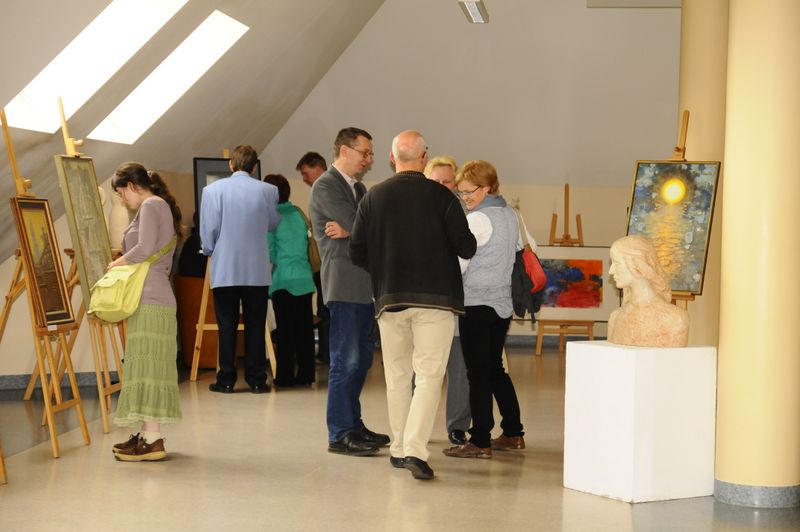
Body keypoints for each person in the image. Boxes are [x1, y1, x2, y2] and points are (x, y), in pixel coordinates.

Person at [350, 131, 476, 480]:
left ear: (392, 159)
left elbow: (355, 251)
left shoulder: (373, 197)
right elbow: (466, 247)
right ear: (424, 157)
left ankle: (399, 448)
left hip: (390, 299)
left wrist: (385, 270)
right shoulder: (443, 197)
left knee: (397, 376)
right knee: (429, 376)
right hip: (436, 300)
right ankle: (415, 451)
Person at [309, 127, 389, 456]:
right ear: (344, 150)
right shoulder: (326, 185)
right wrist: (355, 229)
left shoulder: (357, 188)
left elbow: (365, 227)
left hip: (363, 285)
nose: (368, 159)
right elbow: (364, 227)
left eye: (370, 154)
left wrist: (353, 230)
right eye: (364, 153)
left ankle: (354, 424)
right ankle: (340, 433)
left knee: (362, 361)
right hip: (344, 284)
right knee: (346, 361)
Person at [443, 160, 526, 459]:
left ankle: (480, 440)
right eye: (462, 192)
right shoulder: (510, 214)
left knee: (477, 374)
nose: (465, 198)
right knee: (494, 369)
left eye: (469, 191)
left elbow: (461, 262)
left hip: (476, 303)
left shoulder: (478, 219)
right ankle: (514, 432)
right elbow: (519, 249)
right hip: (501, 304)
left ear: (488, 187)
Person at [109, 162, 183, 461]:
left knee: (149, 369)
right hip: (152, 296)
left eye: (121, 193)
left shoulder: (152, 205)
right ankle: (147, 434)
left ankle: (153, 440)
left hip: (151, 298)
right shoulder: (157, 206)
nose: (122, 200)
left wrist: (116, 264)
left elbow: (143, 248)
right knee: (146, 368)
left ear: (131, 186)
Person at [200, 145, 280, 394]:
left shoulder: (212, 190)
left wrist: (210, 249)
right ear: (254, 167)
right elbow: (272, 223)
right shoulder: (268, 190)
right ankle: (257, 380)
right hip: (256, 268)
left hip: (226, 268)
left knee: (227, 325)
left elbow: (209, 230)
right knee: (255, 324)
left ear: (231, 165)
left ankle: (226, 379)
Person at [424, 155, 471, 447]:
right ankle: (417, 425)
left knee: (460, 368)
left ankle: (458, 426)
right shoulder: (414, 207)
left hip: (457, 299)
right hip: (424, 300)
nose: (443, 186)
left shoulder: (465, 211)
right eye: (437, 181)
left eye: (448, 181)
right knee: (423, 368)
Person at [263, 174, 316, 386]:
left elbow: (270, 253)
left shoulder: (272, 218)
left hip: (283, 279)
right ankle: (306, 374)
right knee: (304, 330)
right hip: (304, 278)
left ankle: (285, 377)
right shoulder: (298, 213)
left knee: (285, 332)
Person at [607, 235, 689, 347]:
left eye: (616, 263)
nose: (611, 271)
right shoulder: (615, 317)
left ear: (636, 264)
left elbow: (674, 358)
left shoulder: (674, 319)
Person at [296, 151, 330, 364]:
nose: (304, 179)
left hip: (326, 263)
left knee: (325, 310)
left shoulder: (323, 189)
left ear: (317, 168)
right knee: (325, 308)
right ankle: (326, 352)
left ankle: (326, 353)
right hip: (324, 263)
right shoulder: (324, 189)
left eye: (305, 173)